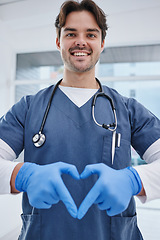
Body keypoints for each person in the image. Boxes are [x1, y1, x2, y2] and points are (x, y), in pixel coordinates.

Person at [0, 0, 160, 239]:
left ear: (102, 43)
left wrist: (135, 180)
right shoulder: (28, 108)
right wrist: (21, 175)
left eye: (91, 34)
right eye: (71, 33)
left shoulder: (128, 110)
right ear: (58, 41)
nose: (81, 41)